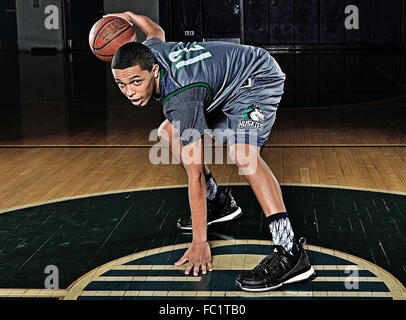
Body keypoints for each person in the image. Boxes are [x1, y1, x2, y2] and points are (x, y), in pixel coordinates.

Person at [104, 11, 315, 291]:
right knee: (168, 133)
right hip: (223, 85)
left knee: (244, 156)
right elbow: (155, 30)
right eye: (122, 84)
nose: (129, 91)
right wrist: (130, 16)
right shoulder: (150, 51)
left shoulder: (181, 98)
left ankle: (290, 253)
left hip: (256, 77)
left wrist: (200, 242)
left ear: (153, 70)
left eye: (135, 82)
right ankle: (219, 203)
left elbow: (196, 175)